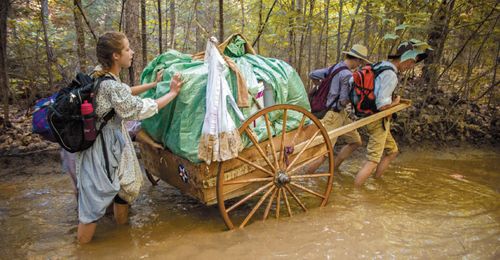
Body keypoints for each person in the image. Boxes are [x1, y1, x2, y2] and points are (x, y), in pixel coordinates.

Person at [76, 31, 183, 244]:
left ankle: (122, 237)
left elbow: (125, 92)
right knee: (93, 205)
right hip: (102, 147)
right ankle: (82, 249)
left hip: (112, 142)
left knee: (128, 187)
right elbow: (140, 109)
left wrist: (153, 85)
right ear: (116, 56)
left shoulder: (101, 75)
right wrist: (172, 93)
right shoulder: (109, 85)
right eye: (127, 49)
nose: (131, 52)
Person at [354, 41, 429, 186]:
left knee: (392, 151)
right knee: (373, 160)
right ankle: (356, 192)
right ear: (406, 59)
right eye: (411, 62)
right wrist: (396, 103)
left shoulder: (381, 65)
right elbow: (382, 106)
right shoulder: (391, 75)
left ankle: (377, 181)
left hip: (372, 117)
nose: (411, 66)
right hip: (378, 119)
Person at [309, 44, 371, 169]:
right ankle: (306, 178)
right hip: (333, 115)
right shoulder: (347, 74)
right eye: (360, 62)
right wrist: (356, 99)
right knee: (325, 152)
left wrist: (319, 86)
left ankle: (334, 169)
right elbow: (343, 101)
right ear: (357, 60)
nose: (359, 65)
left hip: (340, 114)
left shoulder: (335, 67)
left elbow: (313, 74)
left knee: (356, 141)